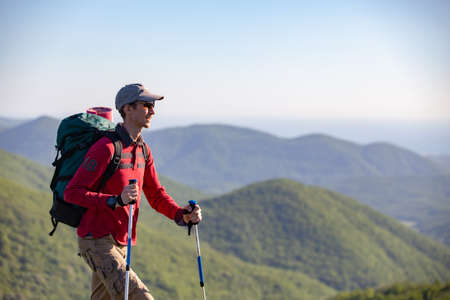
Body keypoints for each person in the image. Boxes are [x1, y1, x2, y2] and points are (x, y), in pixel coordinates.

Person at [65, 83, 202, 300]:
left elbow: (156, 194)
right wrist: (115, 201)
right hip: (97, 241)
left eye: (153, 106)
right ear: (127, 109)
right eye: (147, 105)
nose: (153, 111)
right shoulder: (106, 148)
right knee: (141, 297)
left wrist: (181, 214)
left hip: (122, 242)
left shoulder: (143, 150)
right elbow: (72, 192)